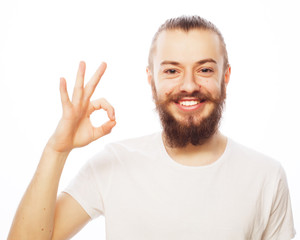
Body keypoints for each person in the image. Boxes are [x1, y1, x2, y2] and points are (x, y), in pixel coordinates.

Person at [8, 15, 296, 240]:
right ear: (151, 79)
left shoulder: (266, 177)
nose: (188, 86)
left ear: (226, 76)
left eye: (205, 69)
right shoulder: (114, 163)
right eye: (171, 70)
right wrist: (57, 149)